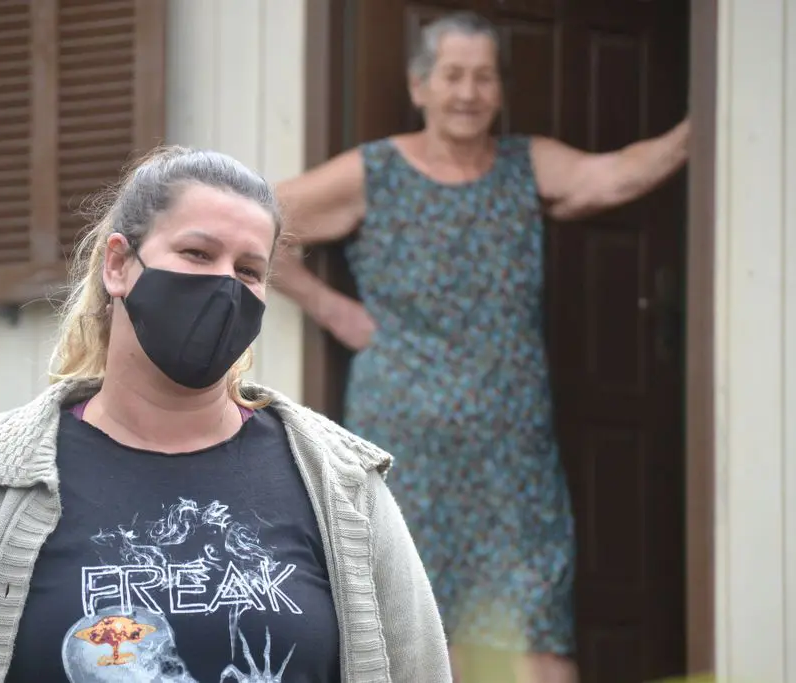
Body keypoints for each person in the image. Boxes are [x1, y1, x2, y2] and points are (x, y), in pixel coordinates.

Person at [0, 147, 452, 683]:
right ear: (119, 265)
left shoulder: (340, 482)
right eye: (198, 254)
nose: (224, 285)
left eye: (248, 270)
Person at [273, 11, 690, 683]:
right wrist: (332, 307)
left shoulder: (527, 164)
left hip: (512, 450)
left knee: (535, 630)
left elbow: (610, 176)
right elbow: (251, 220)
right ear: (420, 87)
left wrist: (697, 130)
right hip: (406, 440)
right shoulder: (374, 172)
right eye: (453, 76)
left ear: (499, 91)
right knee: (414, 619)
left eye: (484, 77)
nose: (468, 93)